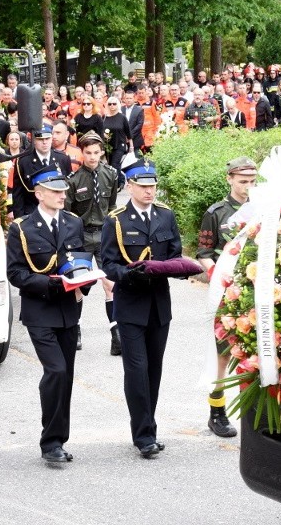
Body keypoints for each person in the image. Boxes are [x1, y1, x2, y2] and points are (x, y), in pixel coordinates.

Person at [101, 157, 183, 458]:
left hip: (159, 305)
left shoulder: (165, 216)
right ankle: (143, 434)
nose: (150, 191)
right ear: (130, 186)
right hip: (131, 304)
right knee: (136, 370)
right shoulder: (117, 219)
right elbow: (107, 263)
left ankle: (150, 427)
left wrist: (175, 268)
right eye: (144, 186)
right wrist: (128, 275)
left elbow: (174, 252)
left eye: (153, 186)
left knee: (154, 371)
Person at [6, 165, 89, 463]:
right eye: (55, 191)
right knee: (55, 370)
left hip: (69, 309)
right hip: (40, 310)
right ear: (39, 194)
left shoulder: (73, 222)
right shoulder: (22, 228)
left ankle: (59, 440)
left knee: (65, 376)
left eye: (63, 191)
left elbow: (80, 260)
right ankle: (49, 441)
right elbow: (15, 273)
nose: (61, 195)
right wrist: (51, 284)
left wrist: (84, 280)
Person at [196, 157, 257, 438]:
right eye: (243, 181)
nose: (248, 187)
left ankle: (256, 409)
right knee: (222, 353)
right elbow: (204, 252)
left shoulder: (262, 210)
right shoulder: (217, 212)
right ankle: (217, 410)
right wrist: (216, 275)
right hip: (227, 291)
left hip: (255, 290)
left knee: (258, 351)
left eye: (252, 181)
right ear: (229, 179)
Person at [64, 132, 121, 355]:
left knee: (111, 284)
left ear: (102, 152)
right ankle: (75, 330)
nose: (92, 157)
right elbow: (68, 213)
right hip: (82, 237)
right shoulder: (74, 180)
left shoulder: (111, 175)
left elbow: (113, 205)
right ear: (82, 153)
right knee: (79, 285)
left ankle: (116, 335)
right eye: (88, 153)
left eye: (96, 153)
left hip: (105, 236)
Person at [11, 126, 72, 218]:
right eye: (40, 139)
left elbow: (68, 190)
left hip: (57, 212)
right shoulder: (23, 161)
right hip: (32, 212)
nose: (44, 142)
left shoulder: (63, 159)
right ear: (34, 141)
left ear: (51, 139)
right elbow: (18, 194)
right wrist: (20, 220)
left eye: (47, 138)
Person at [102, 97, 132, 171]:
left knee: (114, 165)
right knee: (109, 165)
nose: (112, 105)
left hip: (119, 144)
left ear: (117, 105)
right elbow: (101, 130)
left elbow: (128, 132)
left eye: (114, 104)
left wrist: (131, 146)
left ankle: (120, 182)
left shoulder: (122, 117)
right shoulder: (104, 117)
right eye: (110, 104)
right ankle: (117, 180)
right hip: (108, 145)